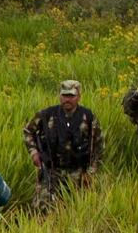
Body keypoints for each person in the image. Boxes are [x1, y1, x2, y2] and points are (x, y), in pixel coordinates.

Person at [23, 79, 103, 210]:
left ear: (79, 97)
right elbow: (28, 131)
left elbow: (98, 146)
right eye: (64, 95)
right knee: (41, 208)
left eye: (71, 96)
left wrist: (91, 172)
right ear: (59, 95)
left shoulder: (88, 117)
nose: (67, 99)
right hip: (51, 171)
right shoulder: (46, 115)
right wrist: (34, 153)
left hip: (78, 173)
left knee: (78, 209)